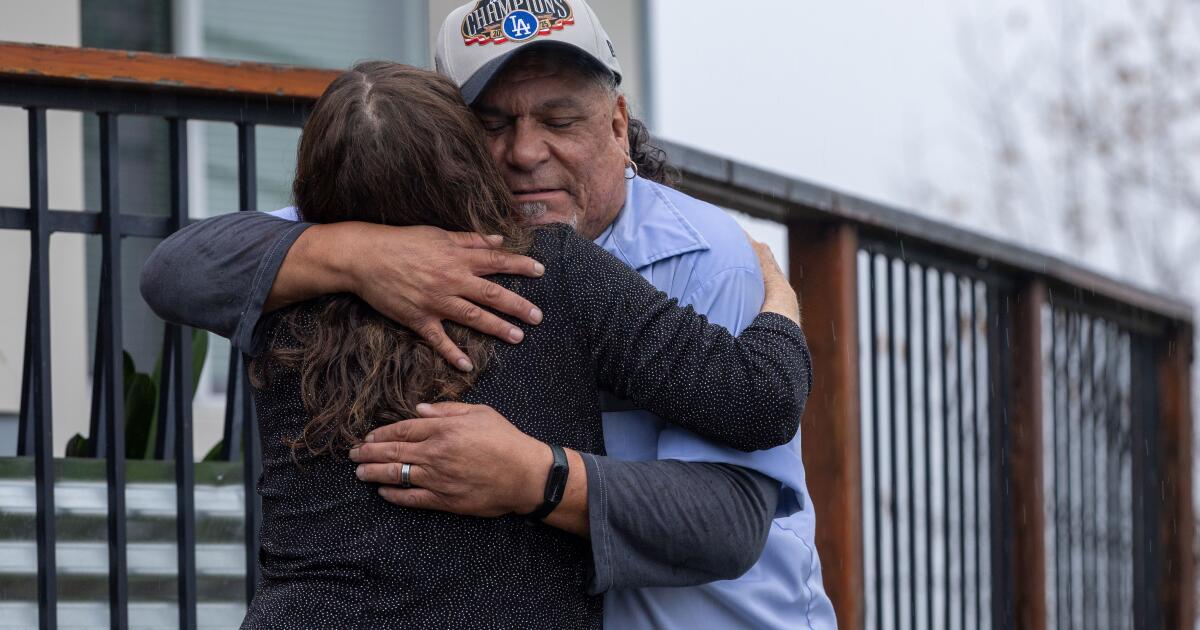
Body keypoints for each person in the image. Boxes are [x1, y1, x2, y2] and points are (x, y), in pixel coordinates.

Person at [141, 1, 836, 627]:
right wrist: (360, 255)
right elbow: (177, 269)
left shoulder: (707, 253)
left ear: (619, 126)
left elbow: (728, 521)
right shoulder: (395, 238)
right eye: (492, 124)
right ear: (452, 139)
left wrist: (534, 475)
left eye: (561, 121)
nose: (527, 153)